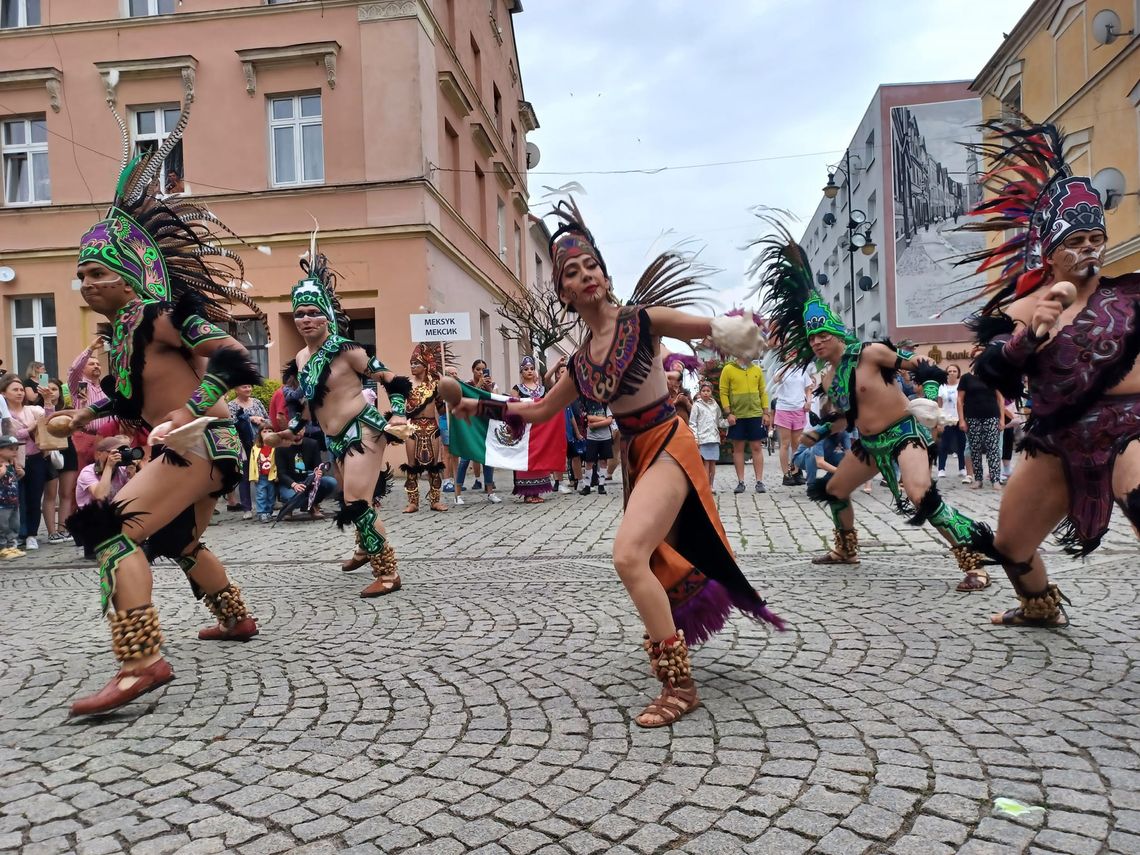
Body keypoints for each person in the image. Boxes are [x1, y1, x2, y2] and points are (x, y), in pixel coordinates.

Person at [450, 198, 782, 727]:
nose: (586, 278)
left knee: (628, 555)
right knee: (646, 558)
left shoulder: (641, 321)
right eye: (573, 274)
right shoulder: (580, 363)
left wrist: (737, 330)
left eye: (591, 267)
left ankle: (679, 684)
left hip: (670, 443)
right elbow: (536, 409)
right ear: (561, 291)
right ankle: (671, 643)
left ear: (604, 274)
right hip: (635, 455)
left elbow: (706, 328)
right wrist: (476, 403)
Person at [55, 101, 266, 717]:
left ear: (127, 275)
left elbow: (235, 359)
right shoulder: (120, 334)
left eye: (96, 272)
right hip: (198, 449)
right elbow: (126, 401)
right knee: (178, 539)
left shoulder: (166, 315)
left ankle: (141, 662)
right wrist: (83, 419)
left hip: (201, 443)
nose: (87, 284)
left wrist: (187, 412)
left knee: (113, 534)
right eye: (81, 276)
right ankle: (236, 619)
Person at [958, 118, 1140, 627]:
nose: (1088, 249)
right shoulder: (1023, 311)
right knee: (1010, 545)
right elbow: (992, 373)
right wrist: (1032, 334)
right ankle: (1038, 608)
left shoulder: (1130, 293)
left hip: (1131, 426)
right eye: (1075, 240)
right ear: (1049, 251)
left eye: (1094, 237)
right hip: (1058, 441)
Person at [755, 222, 993, 592]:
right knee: (834, 489)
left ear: (836, 332)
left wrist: (928, 396)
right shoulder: (831, 378)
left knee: (920, 494)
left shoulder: (870, 353)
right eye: (812, 338)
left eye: (822, 335)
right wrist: (818, 431)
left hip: (904, 436)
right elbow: (848, 418)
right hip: (868, 445)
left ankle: (974, 560)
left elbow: (922, 367)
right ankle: (847, 549)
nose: (816, 342)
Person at [280, 239, 411, 597]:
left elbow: (393, 379)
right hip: (334, 438)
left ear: (327, 314)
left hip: (363, 430)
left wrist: (397, 414)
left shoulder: (347, 349)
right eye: (299, 314)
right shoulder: (302, 359)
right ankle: (363, 548)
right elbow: (310, 403)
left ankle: (388, 572)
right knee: (354, 497)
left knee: (355, 501)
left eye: (313, 312)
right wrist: (290, 430)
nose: (306, 319)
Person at [401, 344, 449, 513]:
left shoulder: (434, 384)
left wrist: (445, 396)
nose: (413, 366)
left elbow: (442, 410)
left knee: (434, 465)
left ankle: (435, 501)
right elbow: (401, 409)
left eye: (416, 363)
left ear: (424, 366)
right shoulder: (406, 385)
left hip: (431, 427)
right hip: (413, 427)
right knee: (411, 465)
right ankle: (413, 502)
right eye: (411, 363)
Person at [4, 374, 47, 551]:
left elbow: (47, 421)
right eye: (15, 389)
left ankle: (31, 534)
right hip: (13, 461)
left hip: (36, 458)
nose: (20, 393)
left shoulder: (33, 410)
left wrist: (49, 401)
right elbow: (11, 436)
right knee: (16, 500)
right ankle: (17, 534)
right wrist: (31, 428)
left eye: (22, 389)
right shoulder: (4, 415)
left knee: (34, 498)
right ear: (3, 393)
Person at [719, 353, 770, 494]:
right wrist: (728, 412)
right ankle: (741, 482)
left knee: (756, 447)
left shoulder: (757, 369)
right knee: (738, 448)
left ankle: (759, 481)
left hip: (755, 414)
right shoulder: (728, 369)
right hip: (737, 416)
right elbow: (723, 392)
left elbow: (763, 392)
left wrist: (766, 412)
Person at [957, 360, 1004, 490]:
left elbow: (1000, 399)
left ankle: (996, 479)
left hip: (991, 416)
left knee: (993, 448)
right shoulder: (966, 378)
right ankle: (978, 479)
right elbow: (960, 400)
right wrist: (961, 419)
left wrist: (1002, 419)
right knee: (975, 449)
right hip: (972, 417)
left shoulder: (993, 376)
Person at [511, 356, 553, 503]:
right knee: (526, 460)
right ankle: (528, 493)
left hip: (540, 430)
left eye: (531, 368)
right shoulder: (517, 389)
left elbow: (548, 407)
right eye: (525, 369)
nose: (529, 371)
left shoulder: (541, 390)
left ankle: (537, 491)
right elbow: (512, 408)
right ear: (521, 372)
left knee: (540, 458)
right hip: (525, 431)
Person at [768, 362, 814, 486]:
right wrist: (787, 366)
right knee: (785, 443)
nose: (792, 355)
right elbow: (776, 379)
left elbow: (808, 388)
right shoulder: (781, 369)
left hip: (798, 408)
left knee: (796, 444)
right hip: (784, 409)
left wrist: (808, 401)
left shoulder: (802, 370)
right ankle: (786, 473)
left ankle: (796, 471)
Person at [227, 384, 268, 519]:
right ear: (236, 389)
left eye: (249, 386)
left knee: (263, 474)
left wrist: (261, 420)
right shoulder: (232, 405)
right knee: (244, 477)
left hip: (260, 444)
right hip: (242, 445)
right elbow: (230, 422)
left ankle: (264, 506)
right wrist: (249, 418)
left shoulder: (257, 402)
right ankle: (247, 508)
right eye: (244, 387)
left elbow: (267, 419)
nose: (248, 389)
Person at [275, 434, 337, 519]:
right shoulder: (281, 447)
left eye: (300, 429)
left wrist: (319, 473)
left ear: (304, 430)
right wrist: (294, 485)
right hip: (290, 484)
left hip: (308, 480)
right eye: (294, 431)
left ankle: (312, 504)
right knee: (292, 497)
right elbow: (281, 473)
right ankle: (289, 507)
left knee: (331, 482)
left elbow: (318, 465)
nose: (297, 432)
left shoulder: (312, 443)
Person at [688, 381, 723, 489]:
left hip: (714, 437)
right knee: (706, 462)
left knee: (713, 463)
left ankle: (711, 484)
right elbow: (692, 423)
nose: (706, 393)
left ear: (711, 392)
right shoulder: (697, 405)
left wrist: (728, 423)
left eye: (708, 391)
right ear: (700, 392)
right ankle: (705, 485)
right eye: (703, 391)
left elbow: (719, 421)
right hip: (703, 438)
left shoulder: (715, 405)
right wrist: (695, 437)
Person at [936, 364, 966, 480]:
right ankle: (941, 468)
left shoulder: (961, 386)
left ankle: (962, 467)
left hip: (959, 418)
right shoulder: (942, 387)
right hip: (946, 419)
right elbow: (939, 405)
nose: (952, 373)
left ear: (958, 373)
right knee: (944, 445)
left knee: (961, 444)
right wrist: (939, 422)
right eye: (950, 371)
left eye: (954, 371)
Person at [579, 399, 613, 495]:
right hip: (592, 438)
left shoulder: (606, 404)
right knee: (589, 461)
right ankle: (587, 485)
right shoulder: (588, 403)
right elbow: (589, 417)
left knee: (603, 461)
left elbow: (609, 421)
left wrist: (595, 424)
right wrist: (603, 419)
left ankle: (601, 485)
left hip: (605, 437)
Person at [246, 423, 277, 523]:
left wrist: (277, 474)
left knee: (271, 495)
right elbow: (252, 463)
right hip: (261, 476)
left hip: (271, 475)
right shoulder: (256, 448)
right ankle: (262, 512)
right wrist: (253, 476)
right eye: (264, 431)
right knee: (261, 494)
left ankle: (269, 511)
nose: (267, 433)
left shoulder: (275, 447)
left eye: (269, 431)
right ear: (260, 434)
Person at [0, 435, 24, 559]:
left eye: (16, 449)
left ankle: (12, 546)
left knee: (14, 524)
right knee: (2, 526)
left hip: (13, 501)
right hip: (2, 503)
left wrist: (20, 474)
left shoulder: (12, 464)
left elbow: (12, 480)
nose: (15, 452)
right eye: (11, 449)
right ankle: (2, 548)